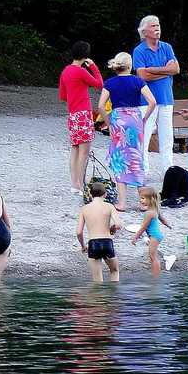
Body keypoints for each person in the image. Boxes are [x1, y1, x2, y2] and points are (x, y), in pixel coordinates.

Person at [96, 52, 157, 211]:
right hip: (134, 120)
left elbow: (101, 106)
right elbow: (152, 101)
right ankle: (143, 203)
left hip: (118, 122)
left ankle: (122, 203)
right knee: (137, 158)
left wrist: (108, 123)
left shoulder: (110, 83)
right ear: (130, 66)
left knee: (120, 159)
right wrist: (144, 119)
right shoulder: (138, 81)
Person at [132, 15, 180, 181]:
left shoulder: (166, 47)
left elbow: (176, 69)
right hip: (147, 101)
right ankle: (142, 171)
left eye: (158, 25)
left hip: (166, 99)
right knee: (144, 137)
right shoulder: (139, 50)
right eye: (153, 26)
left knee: (167, 137)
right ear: (145, 32)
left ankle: (168, 171)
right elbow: (141, 75)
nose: (157, 28)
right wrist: (165, 70)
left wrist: (153, 70)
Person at [58, 41, 104, 194]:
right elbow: (99, 84)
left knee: (75, 150)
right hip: (84, 113)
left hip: (72, 114)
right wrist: (93, 67)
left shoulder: (65, 71)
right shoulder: (80, 71)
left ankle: (74, 184)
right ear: (85, 56)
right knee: (84, 152)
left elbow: (62, 95)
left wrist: (73, 99)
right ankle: (80, 185)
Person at [76, 182, 125, 282]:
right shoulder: (109, 206)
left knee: (97, 281)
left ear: (90, 195)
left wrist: (83, 246)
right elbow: (119, 225)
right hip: (106, 242)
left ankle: (98, 297)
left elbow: (79, 233)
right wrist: (112, 228)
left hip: (93, 243)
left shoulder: (84, 209)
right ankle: (113, 296)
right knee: (114, 271)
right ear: (105, 194)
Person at [131, 187, 172, 277]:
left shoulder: (150, 213)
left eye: (143, 198)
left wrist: (135, 237)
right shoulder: (155, 210)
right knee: (153, 256)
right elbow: (162, 219)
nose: (140, 200)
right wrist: (168, 225)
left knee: (153, 256)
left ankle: (155, 277)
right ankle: (156, 275)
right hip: (155, 235)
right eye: (140, 198)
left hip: (154, 236)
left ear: (150, 199)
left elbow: (143, 227)